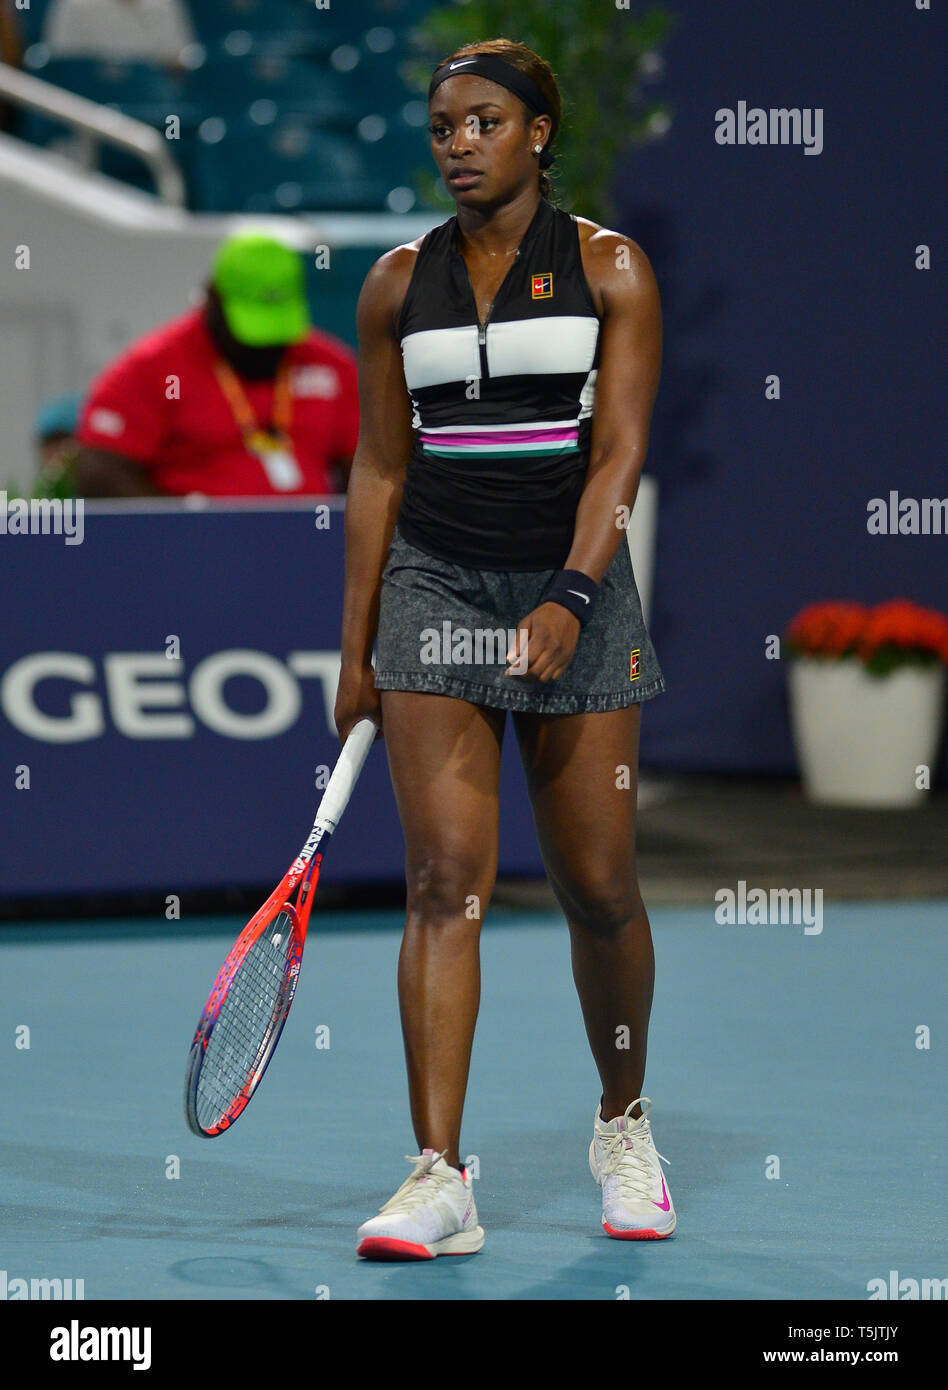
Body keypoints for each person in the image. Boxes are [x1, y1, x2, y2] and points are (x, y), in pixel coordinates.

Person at [335, 39, 672, 1260]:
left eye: (484, 121)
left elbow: (621, 452)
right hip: (436, 583)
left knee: (596, 883)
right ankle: (438, 1175)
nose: (459, 142)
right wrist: (357, 640)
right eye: (443, 126)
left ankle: (624, 1122)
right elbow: (379, 466)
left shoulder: (608, 267)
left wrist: (573, 597)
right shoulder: (390, 285)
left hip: (570, 586)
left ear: (540, 132)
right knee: (443, 881)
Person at [76, 233, 359, 498]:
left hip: (314, 544)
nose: (266, 347)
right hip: (193, 545)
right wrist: (181, 533)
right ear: (214, 300)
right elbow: (100, 469)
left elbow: (371, 466)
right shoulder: (153, 368)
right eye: (252, 332)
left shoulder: (332, 365)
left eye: (276, 332)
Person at [42, 0, 196, 64]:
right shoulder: (73, 5)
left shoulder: (165, 5)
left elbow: (183, 61)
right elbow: (61, 68)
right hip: (86, 111)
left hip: (152, 106)